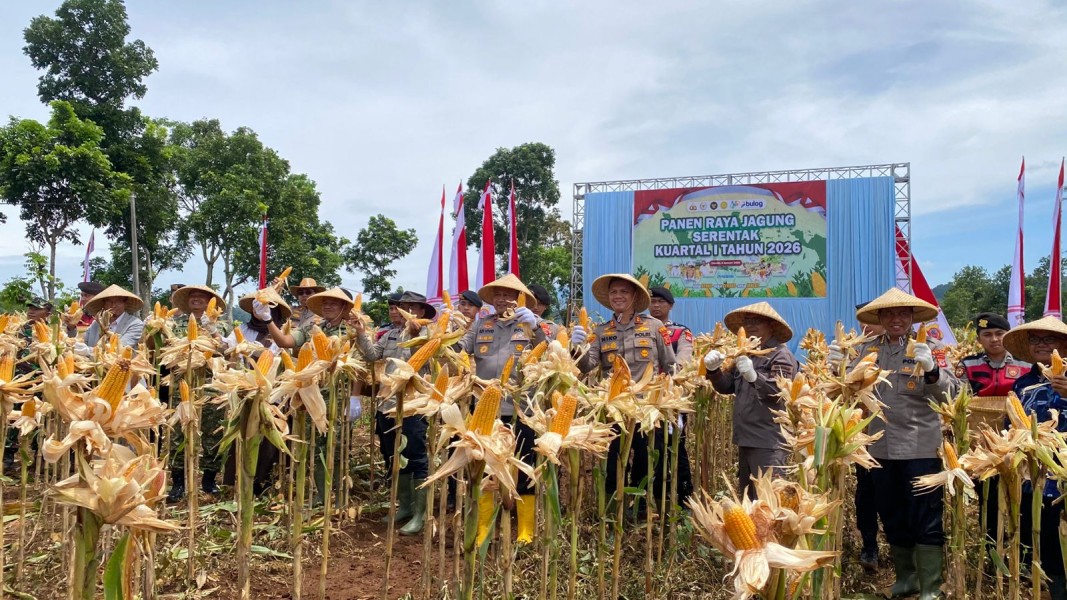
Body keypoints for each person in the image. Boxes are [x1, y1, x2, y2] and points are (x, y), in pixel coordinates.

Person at [831, 288, 958, 600]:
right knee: (891, 514)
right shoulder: (866, 351)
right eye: (889, 314)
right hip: (879, 450)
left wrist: (933, 371)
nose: (897, 319)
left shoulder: (932, 348)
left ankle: (930, 587)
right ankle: (906, 578)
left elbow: (953, 395)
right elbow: (845, 394)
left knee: (926, 517)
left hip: (920, 450)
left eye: (903, 313)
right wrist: (837, 368)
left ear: (913, 317)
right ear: (881, 318)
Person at [457, 274, 547, 544]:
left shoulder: (534, 324)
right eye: (497, 294)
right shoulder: (481, 325)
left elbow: (554, 354)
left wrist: (537, 330)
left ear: (520, 298)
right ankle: (484, 526)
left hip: (522, 410)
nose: (503, 299)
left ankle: (525, 529)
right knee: (485, 468)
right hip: (487, 409)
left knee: (525, 467)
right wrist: (441, 332)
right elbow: (458, 349)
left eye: (509, 294)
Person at [576, 274, 676, 515]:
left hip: (645, 407)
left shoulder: (654, 327)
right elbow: (588, 365)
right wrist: (575, 348)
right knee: (612, 460)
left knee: (644, 458)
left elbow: (670, 364)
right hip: (613, 408)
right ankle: (612, 508)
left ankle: (641, 508)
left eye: (623, 292)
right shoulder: (600, 331)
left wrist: (670, 403)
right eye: (613, 292)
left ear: (634, 297)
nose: (618, 296)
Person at [353, 291, 435, 535]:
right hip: (387, 404)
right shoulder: (388, 335)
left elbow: (423, 362)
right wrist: (360, 333)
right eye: (402, 307)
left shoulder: (427, 336)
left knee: (415, 455)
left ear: (421, 313)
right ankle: (405, 506)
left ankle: (421, 514)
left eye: (411, 307)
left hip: (414, 405)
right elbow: (372, 355)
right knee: (393, 455)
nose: (403, 311)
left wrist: (413, 334)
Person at [702, 302, 798, 499]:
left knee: (769, 500)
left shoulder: (781, 355)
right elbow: (726, 386)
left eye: (757, 322)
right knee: (750, 500)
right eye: (747, 322)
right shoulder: (744, 355)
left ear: (771, 326)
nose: (750, 327)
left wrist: (755, 377)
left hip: (769, 441)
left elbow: (780, 391)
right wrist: (713, 370)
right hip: (746, 439)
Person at [1003, 316, 1067, 599]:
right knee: (1041, 538)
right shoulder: (1023, 384)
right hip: (1032, 476)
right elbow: (1012, 425)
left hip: (1062, 474)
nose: (1041, 345)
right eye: (1035, 340)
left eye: (1048, 339)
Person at [165, 285, 230, 500]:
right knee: (178, 433)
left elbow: (227, 351)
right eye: (193, 296)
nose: (197, 299)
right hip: (182, 384)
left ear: (210, 301)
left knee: (212, 432)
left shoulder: (221, 325)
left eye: (202, 297)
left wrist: (211, 330)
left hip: (210, 383)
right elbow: (166, 348)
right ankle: (178, 483)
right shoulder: (176, 324)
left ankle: (209, 480)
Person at [646, 286, 695, 507]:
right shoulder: (642, 328)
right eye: (652, 301)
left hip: (671, 399)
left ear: (670, 305)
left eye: (661, 302)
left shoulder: (680, 332)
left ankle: (684, 497)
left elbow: (684, 362)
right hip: (645, 400)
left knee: (675, 447)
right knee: (648, 449)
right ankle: (655, 498)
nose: (656, 306)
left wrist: (669, 373)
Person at [852, 301, 884, 571]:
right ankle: (870, 547)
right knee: (866, 493)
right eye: (861, 322)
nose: (865, 327)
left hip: (898, 438)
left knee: (895, 494)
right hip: (862, 437)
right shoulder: (852, 352)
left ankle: (901, 548)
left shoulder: (903, 350)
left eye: (870, 321)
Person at [80, 285, 145, 351]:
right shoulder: (96, 323)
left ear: (125, 303)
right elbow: (83, 342)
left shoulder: (135, 324)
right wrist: (71, 327)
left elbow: (117, 349)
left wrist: (88, 351)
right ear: (104, 304)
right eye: (109, 301)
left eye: (118, 301)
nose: (113, 305)